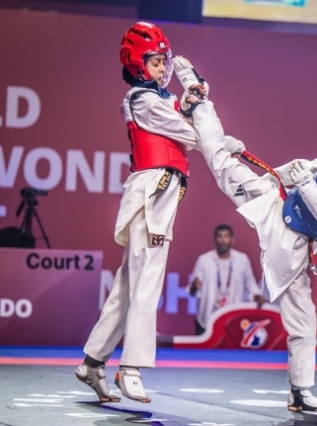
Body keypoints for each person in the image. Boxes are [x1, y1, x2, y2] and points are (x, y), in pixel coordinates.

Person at [174, 57, 317, 414]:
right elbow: (301, 171)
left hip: (293, 245)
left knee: (303, 321)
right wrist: (264, 176)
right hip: (276, 204)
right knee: (223, 162)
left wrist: (305, 184)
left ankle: (300, 391)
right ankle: (199, 100)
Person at [75, 22, 200, 403]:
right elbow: (193, 135)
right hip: (153, 191)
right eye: (155, 62)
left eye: (164, 62)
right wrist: (197, 110)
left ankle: (93, 362)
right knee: (147, 279)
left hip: (158, 191)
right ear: (136, 62)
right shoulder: (142, 99)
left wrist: (189, 102)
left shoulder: (157, 98)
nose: (163, 69)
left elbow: (180, 116)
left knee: (130, 284)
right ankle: (130, 367)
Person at [189, 224, 267, 335]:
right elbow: (193, 290)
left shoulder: (242, 260)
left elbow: (250, 282)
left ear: (232, 239)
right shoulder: (204, 260)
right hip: (207, 318)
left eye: (226, 236)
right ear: (215, 239)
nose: (223, 240)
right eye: (220, 236)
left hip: (232, 316)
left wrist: (256, 295)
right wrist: (194, 287)